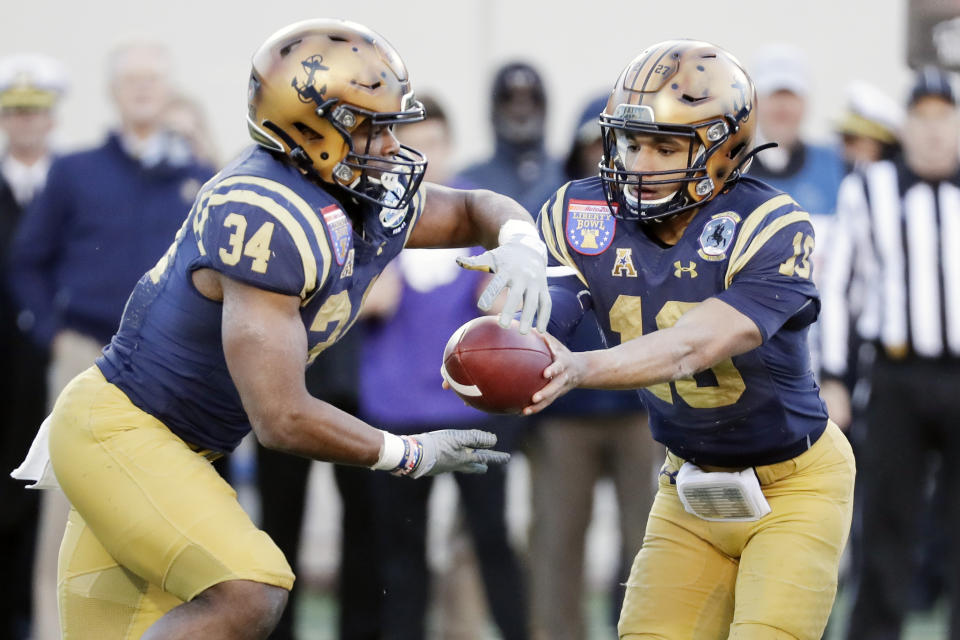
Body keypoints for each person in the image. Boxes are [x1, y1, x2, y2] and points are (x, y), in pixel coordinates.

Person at [13, 19, 548, 639]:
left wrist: (519, 238)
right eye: (370, 127)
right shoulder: (268, 213)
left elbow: (467, 207)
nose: (389, 145)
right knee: (250, 588)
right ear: (309, 127)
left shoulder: (348, 190)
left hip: (167, 444)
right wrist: (409, 453)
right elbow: (281, 418)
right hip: (122, 432)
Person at [512, 40, 855, 639]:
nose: (642, 163)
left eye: (667, 146)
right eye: (633, 142)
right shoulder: (582, 211)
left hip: (795, 483)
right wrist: (503, 330)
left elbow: (691, 345)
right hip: (690, 487)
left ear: (725, 150)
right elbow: (549, 320)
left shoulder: (769, 224)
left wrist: (579, 369)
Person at [6, 41, 216, 640]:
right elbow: (27, 261)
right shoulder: (74, 171)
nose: (143, 89)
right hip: (85, 355)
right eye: (132, 81)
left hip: (172, 363)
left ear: (167, 87)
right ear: (114, 91)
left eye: (153, 79)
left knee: (167, 500)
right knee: (66, 502)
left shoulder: (198, 178)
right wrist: (51, 334)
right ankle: (56, 630)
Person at [355, 95, 529, 640]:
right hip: (396, 413)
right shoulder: (371, 225)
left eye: (435, 145)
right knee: (400, 555)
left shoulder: (481, 224)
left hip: (473, 411)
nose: (427, 159)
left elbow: (501, 307)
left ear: (452, 149)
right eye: (415, 148)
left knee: (493, 540)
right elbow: (369, 302)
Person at [818, 66, 960, 639]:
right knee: (886, 525)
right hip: (897, 376)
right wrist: (832, 378)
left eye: (942, 118)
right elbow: (839, 289)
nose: (931, 132)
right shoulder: (869, 188)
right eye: (920, 119)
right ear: (905, 126)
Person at [527, 94, 657, 640]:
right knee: (558, 542)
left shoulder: (659, 207)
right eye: (593, 144)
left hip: (641, 402)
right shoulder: (554, 208)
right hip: (565, 406)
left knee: (648, 544)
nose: (601, 156)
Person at [0, 52, 66, 640]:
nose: (25, 123)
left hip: (56, 367)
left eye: (35, 112)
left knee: (48, 496)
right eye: (15, 112)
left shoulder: (71, 184)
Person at [452, 61, 564, 215]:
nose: (521, 111)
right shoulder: (465, 186)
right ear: (494, 110)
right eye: (509, 100)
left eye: (532, 100)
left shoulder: (571, 176)